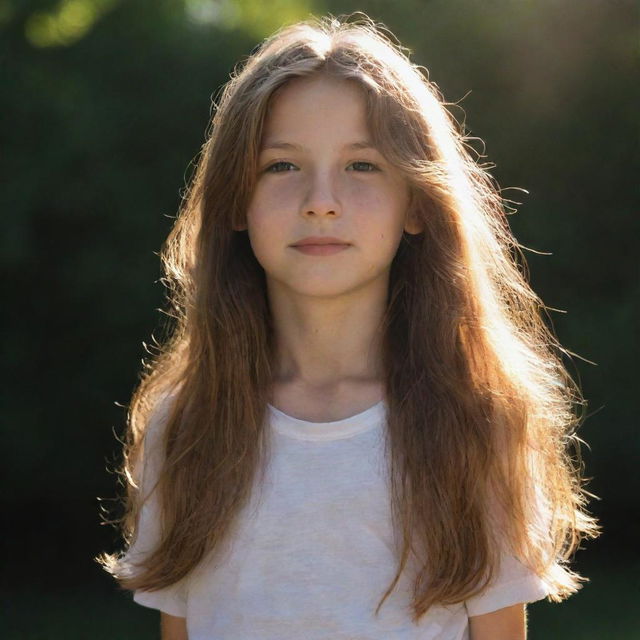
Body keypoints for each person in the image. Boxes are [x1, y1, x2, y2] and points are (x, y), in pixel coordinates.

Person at [96, 12, 601, 640]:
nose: (321, 200)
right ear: (234, 203)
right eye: (281, 166)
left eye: (362, 166)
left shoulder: (477, 422)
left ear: (417, 203)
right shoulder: (187, 425)